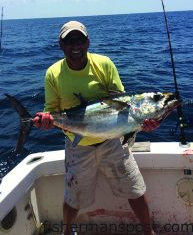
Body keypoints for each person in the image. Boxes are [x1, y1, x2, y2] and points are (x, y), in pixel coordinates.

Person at [33, 21, 158, 235]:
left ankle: (149, 232)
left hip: (113, 142)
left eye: (79, 39)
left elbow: (123, 103)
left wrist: (141, 124)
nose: (75, 45)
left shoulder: (105, 64)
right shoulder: (53, 74)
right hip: (78, 145)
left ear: (88, 42)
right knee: (73, 198)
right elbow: (51, 110)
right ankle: (67, 232)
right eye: (69, 40)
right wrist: (46, 121)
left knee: (135, 190)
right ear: (60, 45)